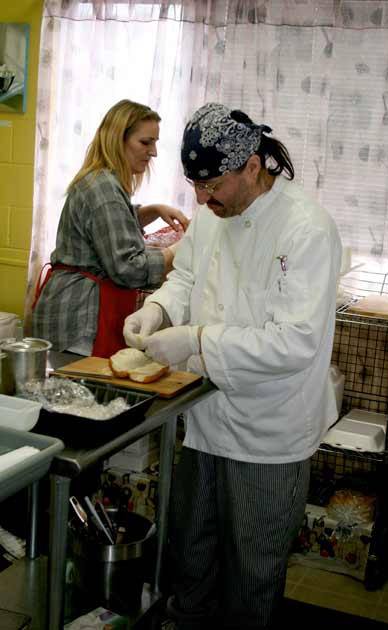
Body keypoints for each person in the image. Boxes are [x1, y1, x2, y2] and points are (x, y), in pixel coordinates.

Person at [123, 102, 342, 629]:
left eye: (213, 184)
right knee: (191, 557)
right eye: (194, 185)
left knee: (252, 573)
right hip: (205, 417)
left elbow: (295, 342)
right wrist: (158, 308)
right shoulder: (213, 214)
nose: (201, 198)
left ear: (252, 166)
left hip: (269, 433)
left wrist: (197, 338)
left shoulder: (306, 229)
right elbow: (186, 276)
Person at [32, 99, 189, 358]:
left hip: (72, 312)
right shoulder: (104, 189)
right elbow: (128, 268)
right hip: (80, 318)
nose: (154, 152)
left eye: (156, 143)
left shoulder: (100, 180)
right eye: (145, 142)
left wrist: (150, 211)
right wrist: (180, 249)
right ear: (119, 139)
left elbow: (108, 227)